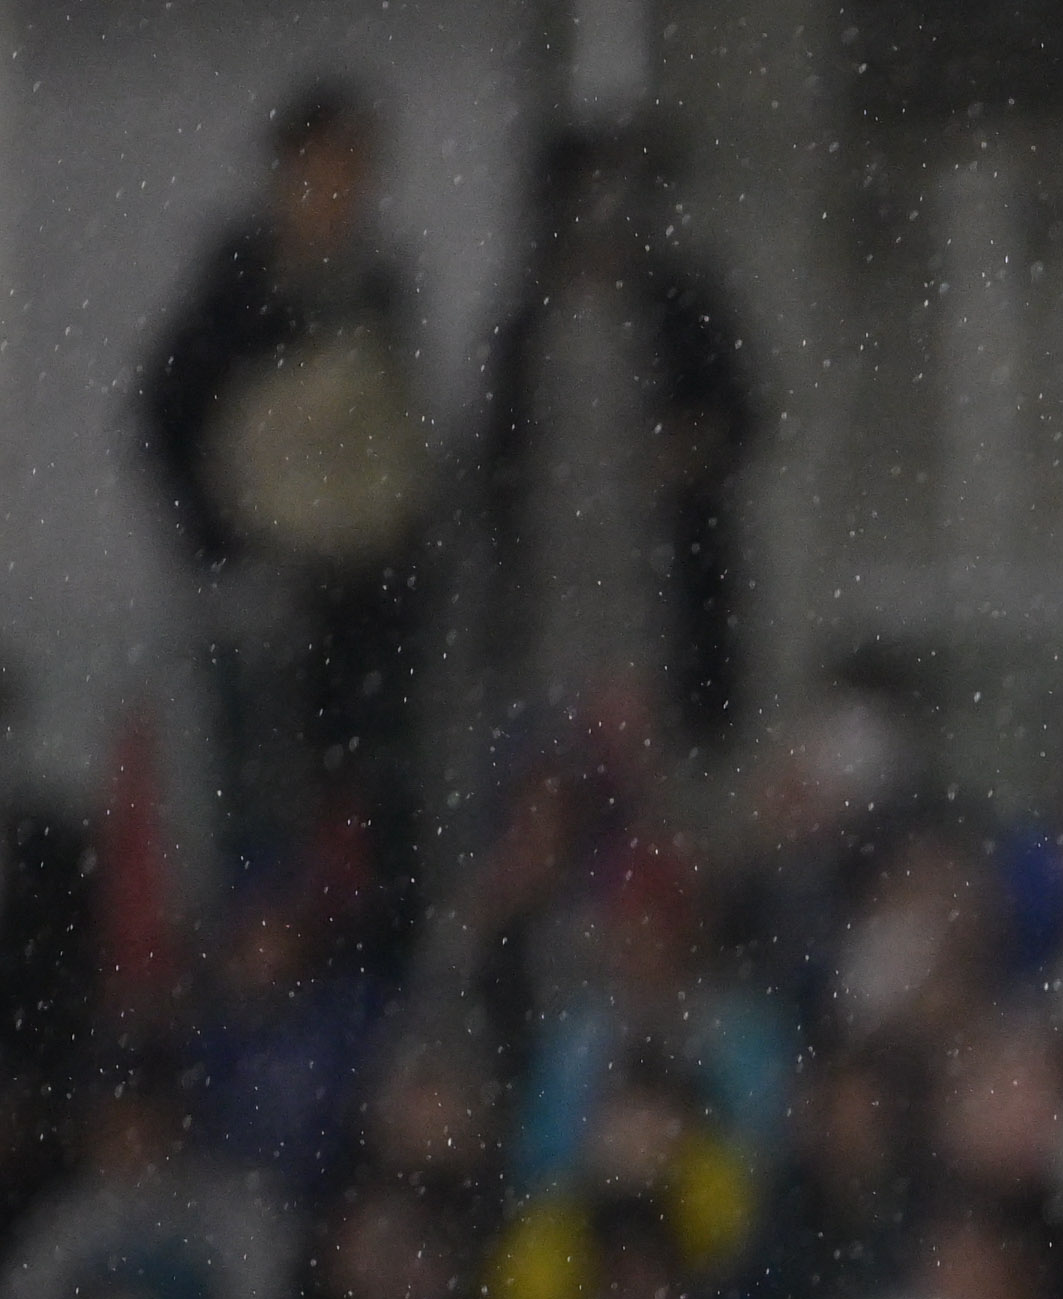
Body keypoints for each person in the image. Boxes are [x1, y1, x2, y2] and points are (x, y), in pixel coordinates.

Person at [134, 80, 441, 919]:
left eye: (355, 172)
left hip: (365, 597)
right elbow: (166, 418)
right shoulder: (238, 292)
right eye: (325, 170)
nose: (340, 192)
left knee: (364, 802)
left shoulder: (376, 287)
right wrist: (224, 543)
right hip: (266, 598)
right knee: (260, 804)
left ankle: (354, 950)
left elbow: (398, 439)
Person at [472, 117, 763, 756]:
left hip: (661, 589)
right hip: (554, 595)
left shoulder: (681, 309)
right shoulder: (532, 322)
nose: (602, 222)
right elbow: (496, 464)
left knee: (656, 759)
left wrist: (690, 447)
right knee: (557, 752)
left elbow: (740, 419)